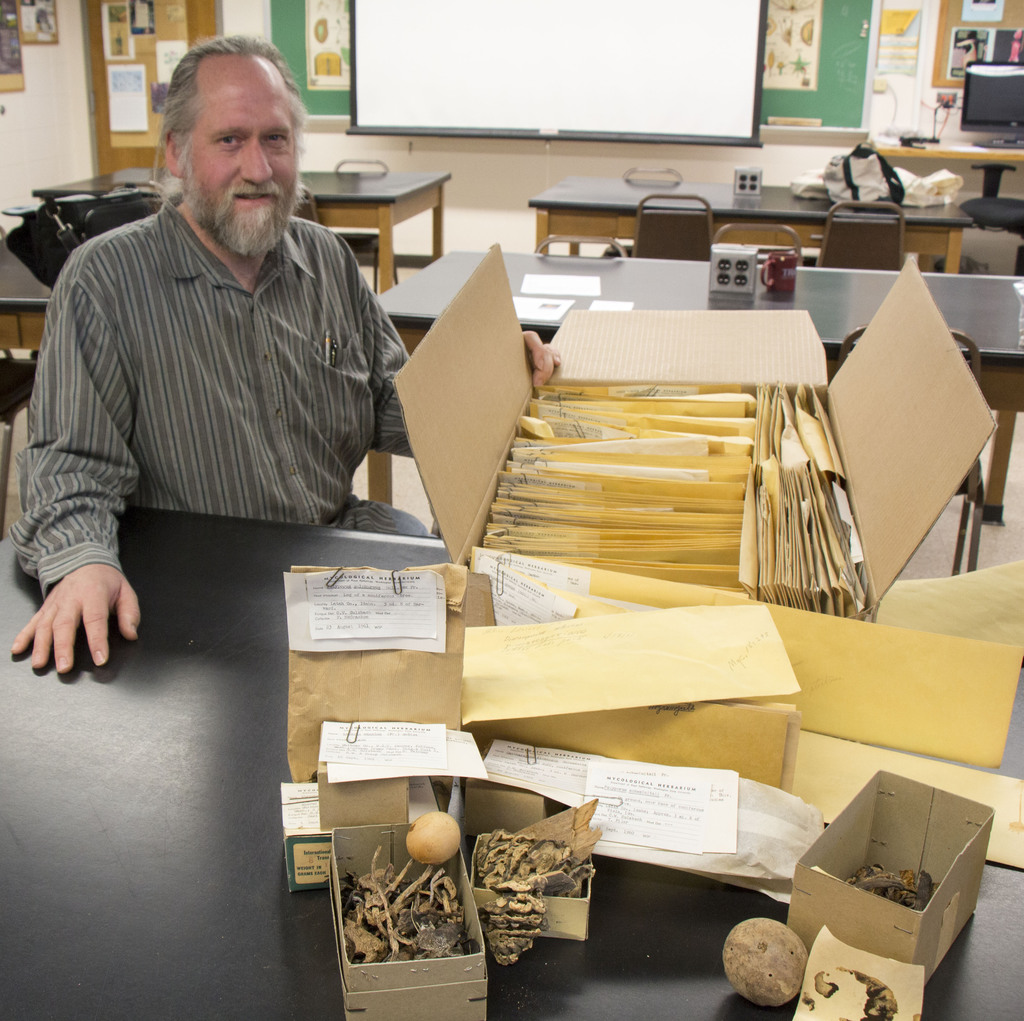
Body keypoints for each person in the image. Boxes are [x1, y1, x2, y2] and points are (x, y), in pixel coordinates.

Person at [10, 35, 559, 675]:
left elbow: (395, 402)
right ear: (176, 153)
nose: (259, 168)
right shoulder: (105, 281)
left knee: (495, 652)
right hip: (206, 592)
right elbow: (68, 464)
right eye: (229, 140)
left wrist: (492, 374)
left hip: (334, 548)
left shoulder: (325, 259)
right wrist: (82, 561)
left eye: (276, 139)